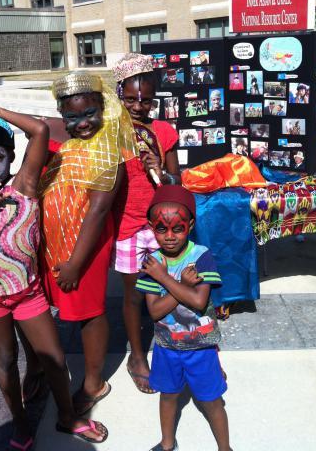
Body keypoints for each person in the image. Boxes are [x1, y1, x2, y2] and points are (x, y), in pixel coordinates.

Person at [0, 102, 109, 448]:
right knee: (5, 359)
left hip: (26, 292)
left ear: (10, 154)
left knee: (54, 357)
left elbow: (40, 130)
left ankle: (67, 415)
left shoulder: (24, 184)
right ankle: (20, 425)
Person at [37, 72, 137, 417]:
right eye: (72, 117)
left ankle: (95, 382)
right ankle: (40, 368)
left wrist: (77, 262)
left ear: (103, 106)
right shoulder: (62, 139)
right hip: (55, 243)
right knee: (52, 308)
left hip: (85, 248)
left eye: (90, 113)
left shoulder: (109, 147)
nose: (82, 124)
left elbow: (98, 210)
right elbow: (38, 128)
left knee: (89, 313)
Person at [135, 185, 231, 451]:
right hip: (167, 348)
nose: (169, 237)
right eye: (161, 229)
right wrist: (182, 286)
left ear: (190, 225)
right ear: (150, 226)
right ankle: (167, 444)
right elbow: (154, 312)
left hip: (201, 348)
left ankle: (225, 448)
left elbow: (199, 301)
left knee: (211, 401)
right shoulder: (152, 262)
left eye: (177, 229)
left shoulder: (201, 256)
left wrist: (165, 279)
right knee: (168, 397)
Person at [113, 53, 181, 394]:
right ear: (119, 94)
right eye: (130, 100)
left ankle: (176, 344)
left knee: (167, 286)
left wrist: (162, 170)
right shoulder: (111, 132)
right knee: (133, 296)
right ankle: (137, 357)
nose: (139, 107)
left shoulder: (165, 131)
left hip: (158, 226)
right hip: (127, 228)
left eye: (146, 101)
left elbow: (176, 183)